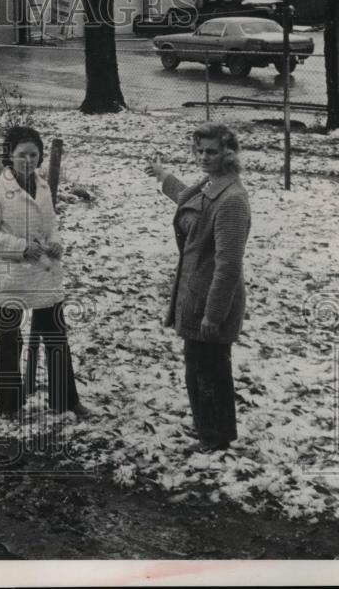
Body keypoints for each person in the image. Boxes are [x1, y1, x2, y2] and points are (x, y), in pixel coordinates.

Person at [145, 123, 251, 452]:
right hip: (195, 293)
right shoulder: (212, 183)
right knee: (200, 366)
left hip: (212, 298)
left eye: (212, 152)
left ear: (228, 154)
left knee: (209, 368)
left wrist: (214, 314)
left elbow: (229, 265)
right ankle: (213, 431)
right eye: (200, 150)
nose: (204, 157)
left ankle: (215, 439)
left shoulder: (231, 199)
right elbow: (186, 199)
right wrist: (163, 176)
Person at [0, 125, 87, 420]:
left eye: (34, 154)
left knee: (56, 338)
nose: (28, 160)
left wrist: (57, 243)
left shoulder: (44, 186)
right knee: (10, 341)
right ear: (9, 157)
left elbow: (50, 225)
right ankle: (8, 405)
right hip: (9, 277)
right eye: (21, 154)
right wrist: (21, 247)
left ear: (40, 156)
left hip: (43, 274)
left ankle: (65, 399)